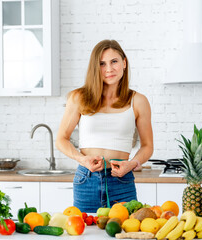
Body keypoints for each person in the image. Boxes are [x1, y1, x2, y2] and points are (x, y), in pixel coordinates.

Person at [55, 39, 153, 213]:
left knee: (126, 232)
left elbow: (147, 146)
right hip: (86, 180)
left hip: (122, 180)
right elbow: (61, 139)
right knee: (86, 233)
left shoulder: (138, 101)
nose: (109, 69)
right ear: (95, 67)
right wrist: (82, 159)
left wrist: (132, 164)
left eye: (114, 61)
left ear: (124, 63)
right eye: (102, 64)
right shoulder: (79, 98)